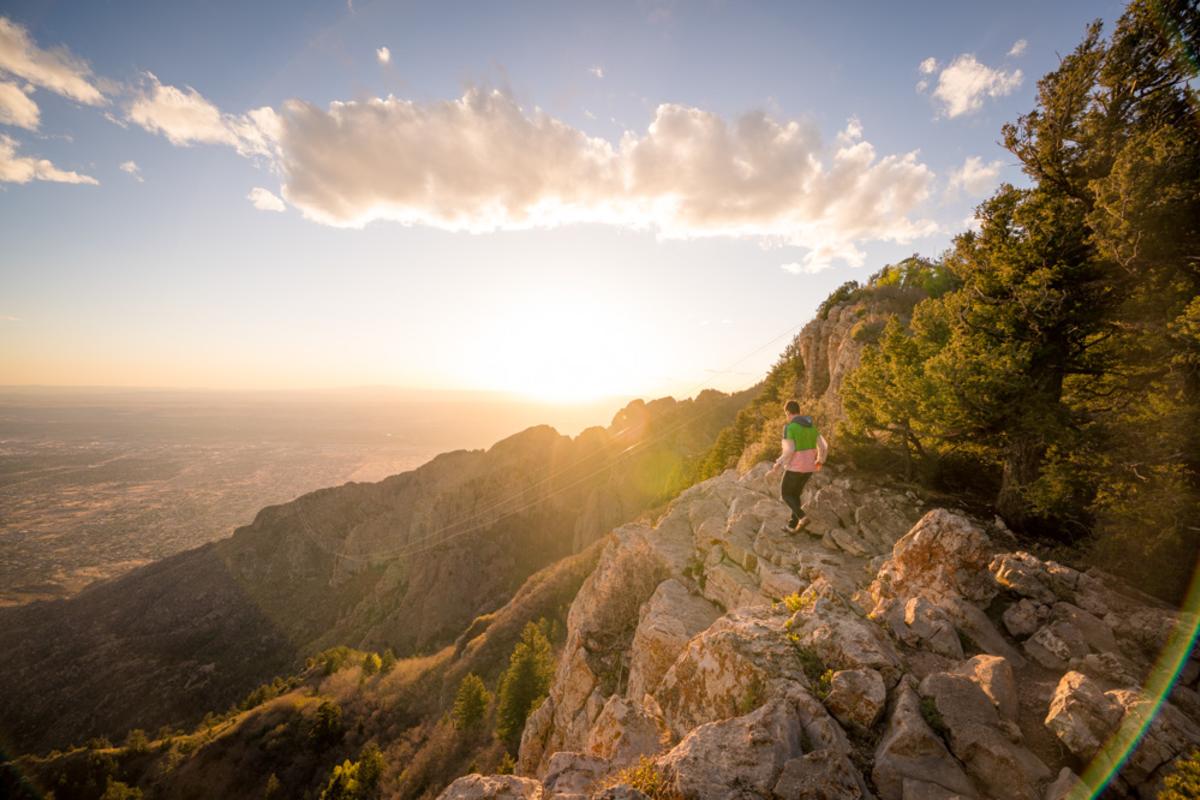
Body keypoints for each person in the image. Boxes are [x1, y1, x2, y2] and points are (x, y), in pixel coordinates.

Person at [769, 400, 828, 534]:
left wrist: (778, 464)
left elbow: (789, 450)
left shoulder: (789, 428)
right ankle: (792, 525)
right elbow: (824, 446)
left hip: (795, 468)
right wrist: (820, 460)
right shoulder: (812, 427)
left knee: (785, 494)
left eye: (786, 414)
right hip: (809, 468)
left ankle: (802, 517)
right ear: (799, 412)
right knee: (795, 495)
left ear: (788, 412)